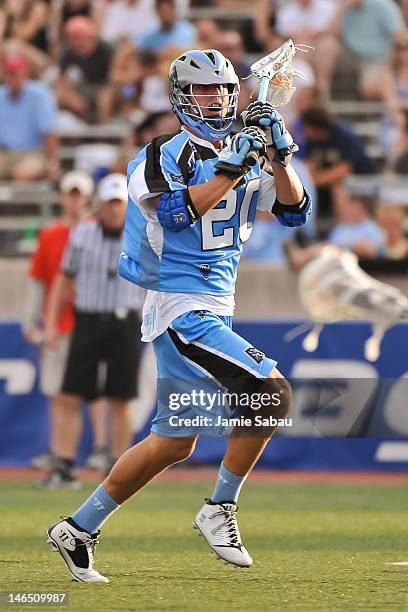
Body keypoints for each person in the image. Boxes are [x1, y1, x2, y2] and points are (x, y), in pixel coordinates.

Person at [47, 49, 311, 583]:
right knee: (272, 393)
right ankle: (220, 507)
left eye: (223, 90)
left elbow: (294, 212)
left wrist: (279, 158)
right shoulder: (160, 155)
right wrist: (233, 167)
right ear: (180, 97)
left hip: (217, 303)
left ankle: (78, 527)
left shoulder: (245, 147)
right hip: (180, 303)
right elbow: (173, 211)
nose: (217, 100)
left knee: (175, 440)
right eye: (204, 91)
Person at [43, 173, 144, 490]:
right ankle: (65, 463)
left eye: (119, 205)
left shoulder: (140, 234)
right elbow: (64, 279)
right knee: (71, 394)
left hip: (125, 320)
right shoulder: (82, 235)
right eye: (110, 204)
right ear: (99, 205)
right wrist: (50, 323)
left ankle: (119, 467)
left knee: (120, 397)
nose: (114, 211)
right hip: (87, 318)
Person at [22, 170, 95, 481]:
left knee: (89, 396)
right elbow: (40, 281)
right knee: (59, 394)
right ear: (64, 196)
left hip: (91, 322)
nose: (75, 199)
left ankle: (95, 452)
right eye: (71, 193)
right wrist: (32, 320)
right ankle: (61, 454)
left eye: (79, 194)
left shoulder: (98, 231)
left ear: (87, 198)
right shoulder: (51, 235)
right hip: (60, 324)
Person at [0, 53, 59, 182]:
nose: (13, 77)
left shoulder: (39, 94)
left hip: (33, 153)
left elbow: (49, 133)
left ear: (25, 73)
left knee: (22, 173)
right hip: (4, 153)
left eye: (16, 73)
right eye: (9, 73)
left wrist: (52, 164)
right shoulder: (1, 95)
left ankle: (20, 203)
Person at [330, 0, 406, 100]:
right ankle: (323, 92)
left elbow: (399, 35)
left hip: (376, 59)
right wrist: (342, 9)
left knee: (369, 88)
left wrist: (394, 62)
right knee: (327, 45)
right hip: (349, 56)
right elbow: (330, 33)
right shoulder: (342, 7)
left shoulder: (383, 5)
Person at [56, 16, 113, 124]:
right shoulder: (68, 51)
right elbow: (61, 79)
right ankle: (71, 129)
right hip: (83, 86)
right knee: (59, 97)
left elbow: (113, 77)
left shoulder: (106, 49)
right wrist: (73, 98)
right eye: (74, 38)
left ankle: (104, 132)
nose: (78, 43)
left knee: (105, 97)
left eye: (81, 37)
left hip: (104, 85)